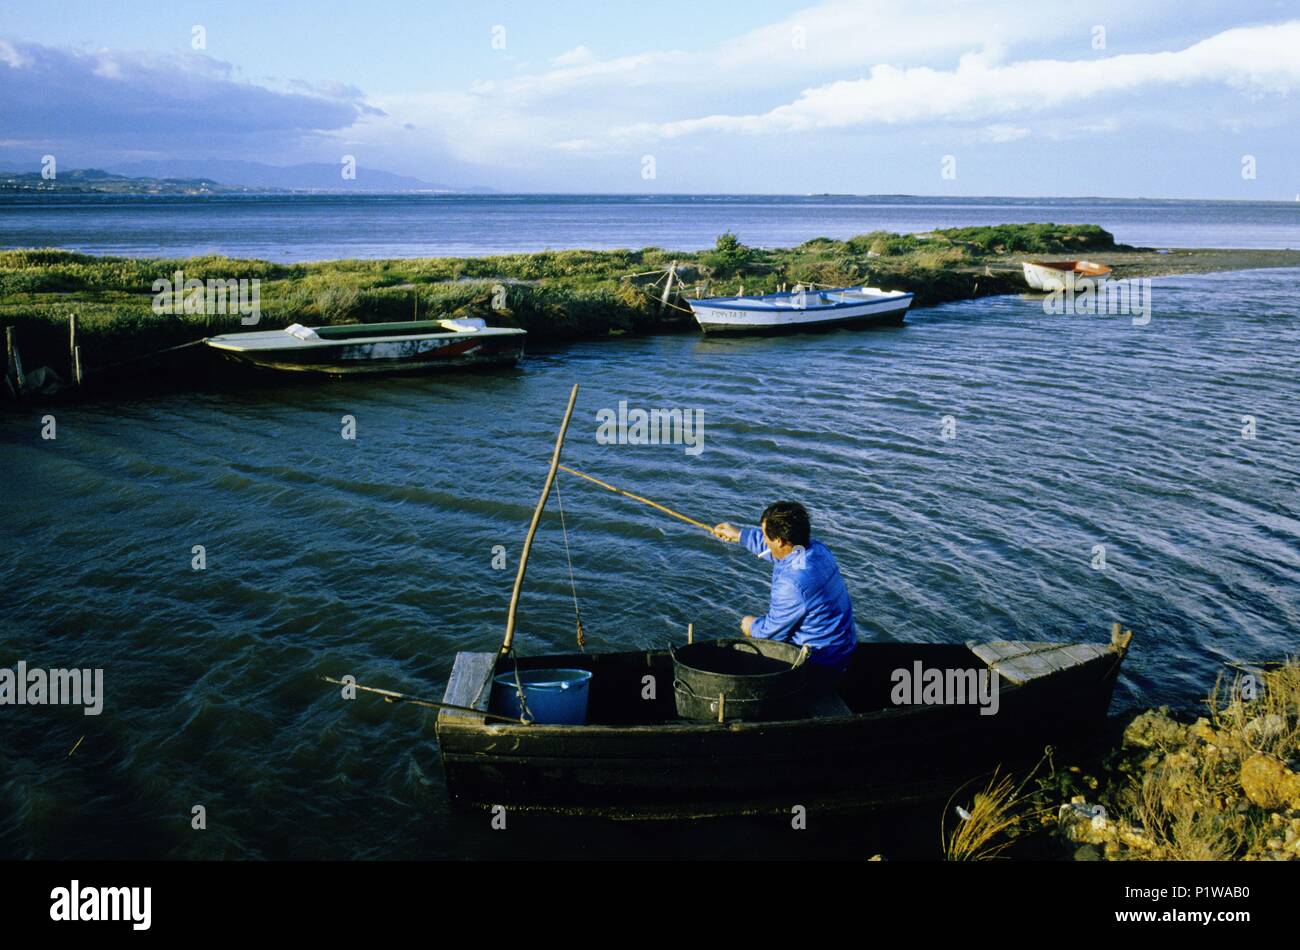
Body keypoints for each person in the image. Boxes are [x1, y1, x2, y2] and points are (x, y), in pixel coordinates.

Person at [712, 501, 857, 693]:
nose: (763, 539)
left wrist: (751, 625)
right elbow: (778, 553)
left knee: (744, 652)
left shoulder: (793, 584)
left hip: (821, 662)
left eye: (764, 535)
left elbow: (773, 634)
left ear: (779, 540)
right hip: (843, 649)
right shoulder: (816, 550)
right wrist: (740, 535)